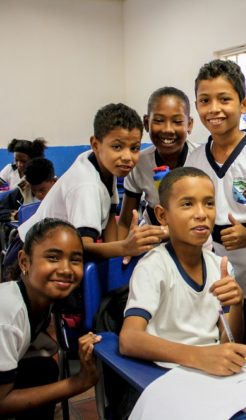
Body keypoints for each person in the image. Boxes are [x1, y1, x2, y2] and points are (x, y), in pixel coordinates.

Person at [185, 59, 246, 349]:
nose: (214, 108)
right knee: (222, 353)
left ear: (244, 104)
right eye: (205, 100)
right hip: (214, 278)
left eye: (224, 99)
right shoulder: (194, 159)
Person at [120, 166, 246, 370]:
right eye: (187, 204)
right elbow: (129, 339)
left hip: (210, 369)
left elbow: (229, 341)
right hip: (166, 372)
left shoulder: (220, 266)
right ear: (162, 215)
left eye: (209, 204)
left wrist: (238, 305)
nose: (201, 214)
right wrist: (199, 356)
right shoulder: (153, 266)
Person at [17, 103, 165, 260]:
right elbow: (82, 248)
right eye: (117, 147)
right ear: (95, 144)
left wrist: (118, 256)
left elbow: (109, 220)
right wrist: (125, 247)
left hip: (57, 251)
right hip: (31, 254)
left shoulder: (104, 165)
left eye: (134, 148)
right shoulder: (86, 184)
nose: (127, 156)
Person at [0, 218, 101, 419]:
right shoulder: (8, 315)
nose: (65, 269)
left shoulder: (42, 298)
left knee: (43, 370)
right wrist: (78, 382)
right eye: (53, 258)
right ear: (24, 262)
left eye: (75, 259)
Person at [118, 86, 194, 233]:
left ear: (189, 125)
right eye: (159, 120)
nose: (168, 129)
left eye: (177, 121)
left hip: (193, 237)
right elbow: (125, 222)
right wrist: (123, 252)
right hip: (153, 238)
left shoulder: (200, 159)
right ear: (146, 123)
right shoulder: (139, 163)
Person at [0, 158, 57, 222]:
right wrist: (17, 215)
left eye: (41, 190)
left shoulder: (63, 192)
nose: (38, 194)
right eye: (34, 191)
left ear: (53, 181)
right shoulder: (23, 190)